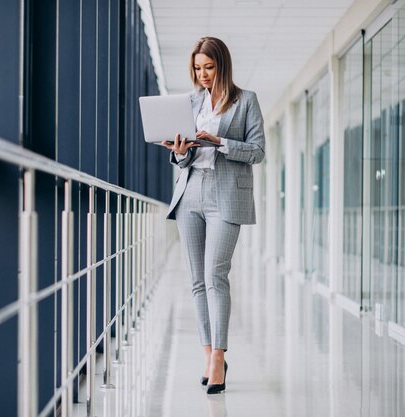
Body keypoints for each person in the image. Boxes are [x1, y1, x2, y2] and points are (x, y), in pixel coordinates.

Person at [162, 36, 265, 394]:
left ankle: (219, 356)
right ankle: (207, 354)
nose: (202, 75)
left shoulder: (246, 100)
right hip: (190, 193)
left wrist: (219, 142)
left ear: (222, 65)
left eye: (208, 67)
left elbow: (257, 151)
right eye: (197, 68)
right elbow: (183, 159)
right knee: (195, 280)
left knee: (214, 275)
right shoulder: (190, 102)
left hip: (226, 196)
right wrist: (178, 151)